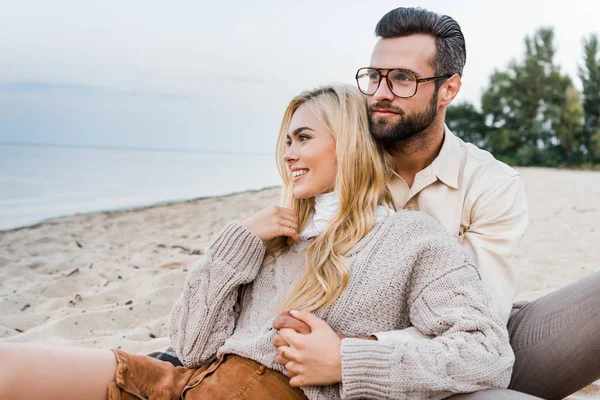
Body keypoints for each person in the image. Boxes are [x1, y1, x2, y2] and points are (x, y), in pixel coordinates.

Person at [0, 84, 514, 400]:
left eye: (305, 137)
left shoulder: (411, 240)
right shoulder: (273, 239)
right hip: (181, 384)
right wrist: (237, 243)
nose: (289, 154)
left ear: (351, 143)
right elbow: (192, 347)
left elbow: (487, 352)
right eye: (287, 140)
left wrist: (346, 361)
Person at [272, 7, 600, 400]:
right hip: (340, 363)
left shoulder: (491, 184)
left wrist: (352, 352)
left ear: (449, 89)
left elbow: (483, 324)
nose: (380, 93)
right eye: (374, 76)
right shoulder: (340, 165)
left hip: (459, 349)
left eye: (402, 79)